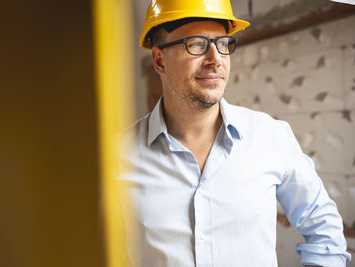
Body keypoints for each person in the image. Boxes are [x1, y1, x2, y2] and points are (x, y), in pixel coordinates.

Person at [119, 0, 352, 266]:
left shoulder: (270, 136)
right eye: (196, 44)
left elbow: (324, 227)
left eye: (223, 44)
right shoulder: (118, 155)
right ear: (159, 61)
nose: (215, 59)